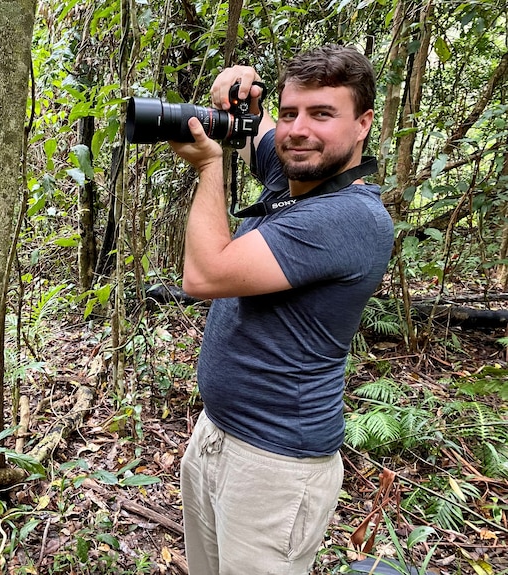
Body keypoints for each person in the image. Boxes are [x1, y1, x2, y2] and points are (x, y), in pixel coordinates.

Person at [169, 45, 394, 574]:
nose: (298, 129)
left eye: (322, 114)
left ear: (362, 124)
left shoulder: (349, 217)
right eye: (291, 112)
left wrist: (208, 167)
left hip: (275, 465)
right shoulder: (297, 176)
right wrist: (237, 88)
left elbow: (204, 276)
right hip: (217, 436)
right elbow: (256, 129)